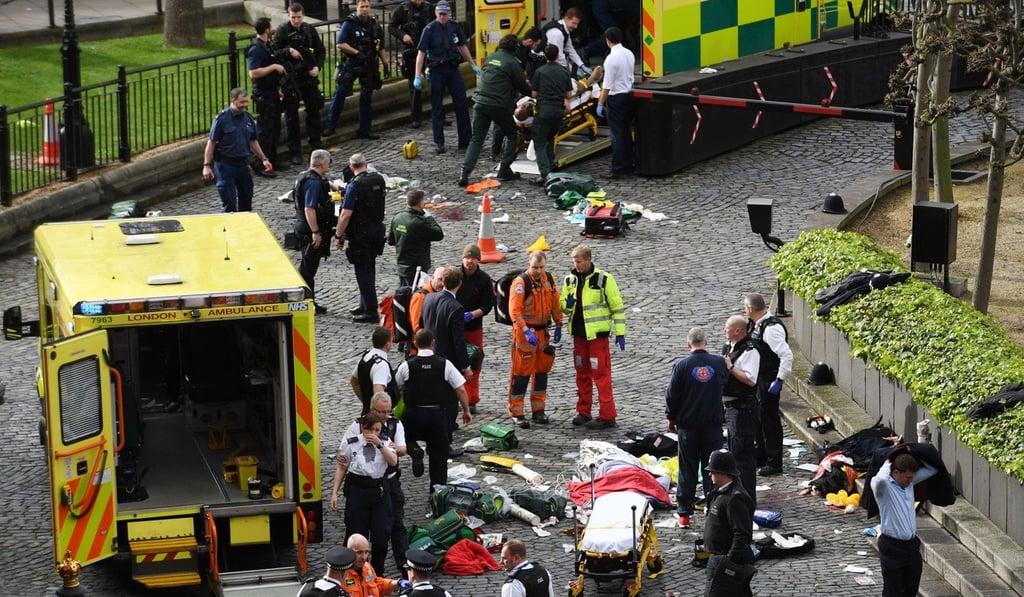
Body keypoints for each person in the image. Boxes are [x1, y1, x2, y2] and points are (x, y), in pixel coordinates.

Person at [395, 329, 471, 497]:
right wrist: (466, 410)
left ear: (415, 343)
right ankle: (437, 494)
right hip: (437, 416)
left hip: (414, 415)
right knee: (439, 457)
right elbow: (460, 389)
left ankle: (414, 449)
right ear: (433, 343)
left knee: (403, 436)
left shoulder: (407, 365)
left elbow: (396, 386)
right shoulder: (444, 364)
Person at [665, 327, 727, 529]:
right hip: (713, 425)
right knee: (714, 468)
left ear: (688, 344)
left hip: (688, 427)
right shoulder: (718, 363)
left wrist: (671, 418)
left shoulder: (681, 365)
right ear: (706, 342)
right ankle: (713, 508)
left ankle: (684, 514)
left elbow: (672, 395)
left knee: (687, 468)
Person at [560, 245, 625, 429]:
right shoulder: (570, 280)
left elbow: (617, 307)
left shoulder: (604, 279)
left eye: (579, 261)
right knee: (582, 374)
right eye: (574, 261)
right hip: (579, 337)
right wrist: (567, 303)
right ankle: (583, 412)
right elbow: (562, 306)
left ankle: (607, 415)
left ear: (588, 260)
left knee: (601, 376)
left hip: (597, 338)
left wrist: (620, 332)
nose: (576, 265)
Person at [456, 34, 532, 187]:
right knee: (511, 134)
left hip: (480, 102)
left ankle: (465, 172)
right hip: (498, 105)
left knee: (477, 138)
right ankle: (504, 169)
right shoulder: (512, 62)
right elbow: (522, 85)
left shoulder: (491, 58)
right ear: (515, 48)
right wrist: (534, 94)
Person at [330, 412, 398, 576]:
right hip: (358, 491)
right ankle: (355, 573)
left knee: (381, 538)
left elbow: (393, 461)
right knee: (355, 535)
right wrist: (334, 493)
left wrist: (380, 445)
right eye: (371, 430)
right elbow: (342, 467)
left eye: (377, 430)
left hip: (378, 491)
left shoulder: (386, 443)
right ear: (363, 428)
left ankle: (377, 574)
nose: (374, 434)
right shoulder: (352, 443)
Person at [413, 1, 479, 154]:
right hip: (437, 70)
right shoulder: (429, 29)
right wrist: (417, 75)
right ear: (436, 13)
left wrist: (473, 64)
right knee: (437, 107)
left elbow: (462, 46)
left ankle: (465, 140)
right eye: (440, 14)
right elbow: (421, 53)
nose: (442, 17)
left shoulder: (455, 27)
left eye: (445, 14)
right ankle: (439, 142)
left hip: (452, 68)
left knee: (462, 103)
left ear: (449, 13)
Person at [508, 250, 562, 429]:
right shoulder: (521, 283)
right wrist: (525, 330)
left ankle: (538, 410)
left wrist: (559, 324)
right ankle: (517, 412)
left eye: (541, 267)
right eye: (534, 267)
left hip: (543, 334)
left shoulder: (549, 280)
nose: (538, 271)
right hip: (525, 334)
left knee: (541, 374)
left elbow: (555, 303)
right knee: (521, 375)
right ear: (528, 265)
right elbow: (514, 312)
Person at [744, 292, 792, 477]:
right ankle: (761, 454)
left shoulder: (771, 329)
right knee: (758, 419)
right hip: (757, 379)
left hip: (768, 379)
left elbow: (786, 354)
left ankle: (774, 461)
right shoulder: (757, 324)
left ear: (750, 309)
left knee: (770, 421)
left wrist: (779, 379)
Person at [419, 266, 472, 434]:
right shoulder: (456, 308)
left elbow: (421, 324)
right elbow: (458, 341)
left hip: (427, 356)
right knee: (449, 401)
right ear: (459, 284)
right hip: (447, 361)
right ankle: (445, 436)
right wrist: (466, 366)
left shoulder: (428, 298)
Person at [335, 153, 388, 322]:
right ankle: (365, 303)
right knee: (369, 266)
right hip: (377, 230)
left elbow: (345, 215)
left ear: (351, 167)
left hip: (361, 233)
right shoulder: (378, 179)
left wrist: (339, 235)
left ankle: (371, 311)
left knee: (362, 271)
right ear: (366, 164)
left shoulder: (354, 186)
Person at [324, 0, 388, 139]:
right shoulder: (350, 23)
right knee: (340, 93)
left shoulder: (374, 24)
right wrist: (357, 53)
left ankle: (365, 128)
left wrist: (385, 64)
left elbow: (381, 45)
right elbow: (340, 43)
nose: (364, 9)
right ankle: (330, 125)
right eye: (362, 7)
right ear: (357, 7)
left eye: (367, 6)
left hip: (368, 64)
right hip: (352, 63)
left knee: (366, 97)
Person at [201, 88, 273, 212]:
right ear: (233, 101)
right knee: (229, 201)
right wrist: (207, 165)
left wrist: (264, 159)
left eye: (246, 102)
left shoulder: (248, 119)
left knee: (246, 197)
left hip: (242, 163)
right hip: (225, 164)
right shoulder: (222, 119)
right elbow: (211, 142)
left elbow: (253, 141)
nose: (244, 105)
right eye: (241, 102)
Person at [273, 2, 326, 165]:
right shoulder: (282, 31)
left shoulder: (309, 30)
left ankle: (315, 145)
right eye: (293, 17)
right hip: (292, 79)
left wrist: (317, 66)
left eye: (299, 17)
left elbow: (320, 50)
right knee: (291, 116)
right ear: (289, 16)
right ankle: (294, 151)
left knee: (314, 110)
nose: (296, 20)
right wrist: (288, 51)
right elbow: (274, 52)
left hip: (308, 77)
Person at [703, 449, 756, 597]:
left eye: (712, 471)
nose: (709, 474)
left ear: (722, 472)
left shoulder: (735, 498)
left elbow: (742, 533)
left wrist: (729, 562)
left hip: (724, 559)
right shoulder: (721, 492)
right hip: (718, 556)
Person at [488, 27, 545, 162]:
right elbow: (517, 75)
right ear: (531, 41)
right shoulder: (514, 50)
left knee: (503, 122)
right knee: (502, 123)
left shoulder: (519, 49)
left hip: (505, 90)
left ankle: (501, 151)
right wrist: (531, 94)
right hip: (505, 91)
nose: (536, 47)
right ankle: (498, 153)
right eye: (536, 44)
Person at [292, 149, 338, 314]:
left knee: (308, 265)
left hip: (302, 226)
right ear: (323, 163)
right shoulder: (313, 183)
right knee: (308, 268)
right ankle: (306, 302)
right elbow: (309, 208)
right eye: (328, 163)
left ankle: (307, 300)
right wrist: (316, 232)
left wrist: (330, 185)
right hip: (309, 229)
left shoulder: (305, 176)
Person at [721, 315, 761, 503]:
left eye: (727, 327)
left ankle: (746, 499)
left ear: (738, 331)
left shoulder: (750, 351)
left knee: (743, 457)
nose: (724, 330)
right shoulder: (730, 346)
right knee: (734, 453)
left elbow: (751, 380)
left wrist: (730, 368)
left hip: (743, 410)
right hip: (731, 408)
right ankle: (738, 496)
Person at [247, 17, 293, 176]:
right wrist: (273, 66)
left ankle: (272, 159)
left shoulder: (266, 46)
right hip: (263, 94)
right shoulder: (256, 49)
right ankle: (260, 163)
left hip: (271, 91)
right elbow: (253, 73)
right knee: (265, 130)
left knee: (274, 127)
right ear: (267, 29)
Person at [455, 244, 493, 414]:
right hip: (455, 327)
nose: (469, 261)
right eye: (467, 258)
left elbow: (487, 305)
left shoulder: (484, 279)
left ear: (478, 259)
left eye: (473, 258)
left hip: (474, 328)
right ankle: (455, 396)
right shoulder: (455, 275)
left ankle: (472, 399)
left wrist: (473, 314)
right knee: (454, 363)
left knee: (474, 364)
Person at [529, 44, 575, 186]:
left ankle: (545, 175)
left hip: (544, 111)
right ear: (557, 56)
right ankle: (551, 169)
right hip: (558, 112)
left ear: (545, 56)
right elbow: (568, 94)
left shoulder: (540, 72)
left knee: (540, 142)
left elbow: (534, 93)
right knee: (550, 140)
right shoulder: (564, 72)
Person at [596, 26, 635, 180]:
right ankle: (628, 164)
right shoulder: (629, 54)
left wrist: (600, 103)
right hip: (628, 95)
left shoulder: (611, 59)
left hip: (616, 98)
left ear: (607, 40)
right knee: (625, 132)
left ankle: (617, 168)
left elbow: (607, 85)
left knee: (617, 135)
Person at [389, 0, 434, 128]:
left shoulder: (429, 7)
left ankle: (439, 114)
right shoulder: (402, 9)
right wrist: (403, 35)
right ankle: (416, 117)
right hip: (411, 50)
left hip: (429, 49)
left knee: (436, 83)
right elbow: (391, 27)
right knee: (414, 85)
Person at [387, 189, 444, 286]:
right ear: (421, 203)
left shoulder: (397, 217)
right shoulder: (418, 223)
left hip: (402, 266)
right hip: (417, 268)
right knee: (415, 296)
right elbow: (439, 234)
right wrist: (430, 218)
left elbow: (391, 241)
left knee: (403, 294)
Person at [340, 533, 409, 596]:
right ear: (349, 552)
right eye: (359, 552)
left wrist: (397, 583)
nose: (364, 557)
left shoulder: (367, 568)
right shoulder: (341, 574)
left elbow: (378, 584)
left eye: (366, 552)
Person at [350, 327, 399, 414]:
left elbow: (354, 382)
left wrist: (366, 403)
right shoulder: (381, 366)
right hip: (378, 418)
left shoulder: (366, 357)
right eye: (391, 341)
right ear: (387, 345)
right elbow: (378, 393)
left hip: (368, 412)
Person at [542, 7, 586, 75]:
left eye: (577, 24)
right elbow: (558, 56)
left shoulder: (564, 30)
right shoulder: (557, 33)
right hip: (543, 65)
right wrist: (572, 70)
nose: (576, 27)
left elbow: (570, 49)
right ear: (566, 18)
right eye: (574, 23)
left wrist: (581, 65)